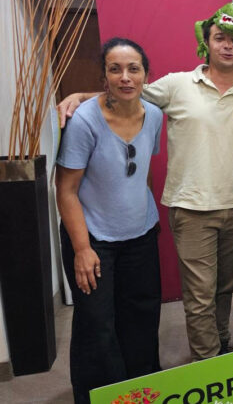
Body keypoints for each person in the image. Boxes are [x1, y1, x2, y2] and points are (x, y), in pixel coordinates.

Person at [56, 3, 233, 361]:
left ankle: (220, 346)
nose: (227, 45)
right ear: (206, 44)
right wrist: (81, 96)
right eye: (220, 38)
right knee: (200, 295)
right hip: (191, 209)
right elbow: (127, 90)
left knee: (224, 290)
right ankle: (209, 363)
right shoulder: (177, 85)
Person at [56, 38, 163, 403]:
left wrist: (147, 217)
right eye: (115, 69)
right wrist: (82, 249)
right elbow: (66, 190)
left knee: (141, 319)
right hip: (93, 238)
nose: (125, 77)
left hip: (140, 236)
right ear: (104, 76)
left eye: (133, 69)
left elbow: (143, 172)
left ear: (146, 74)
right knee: (97, 326)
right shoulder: (84, 121)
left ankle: (142, 392)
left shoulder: (154, 116)